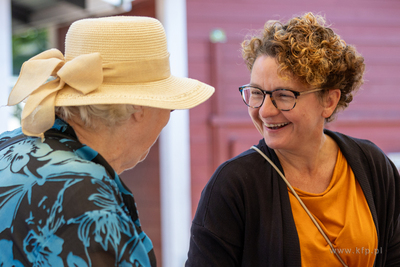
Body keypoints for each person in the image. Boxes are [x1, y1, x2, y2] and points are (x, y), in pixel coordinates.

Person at [186, 12, 400, 267]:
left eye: (283, 95)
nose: (264, 111)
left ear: (329, 101)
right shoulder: (232, 187)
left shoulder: (371, 165)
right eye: (256, 93)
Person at [0, 16, 214, 266]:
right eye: (170, 107)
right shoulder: (84, 193)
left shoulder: (8, 146)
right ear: (139, 105)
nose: (167, 117)